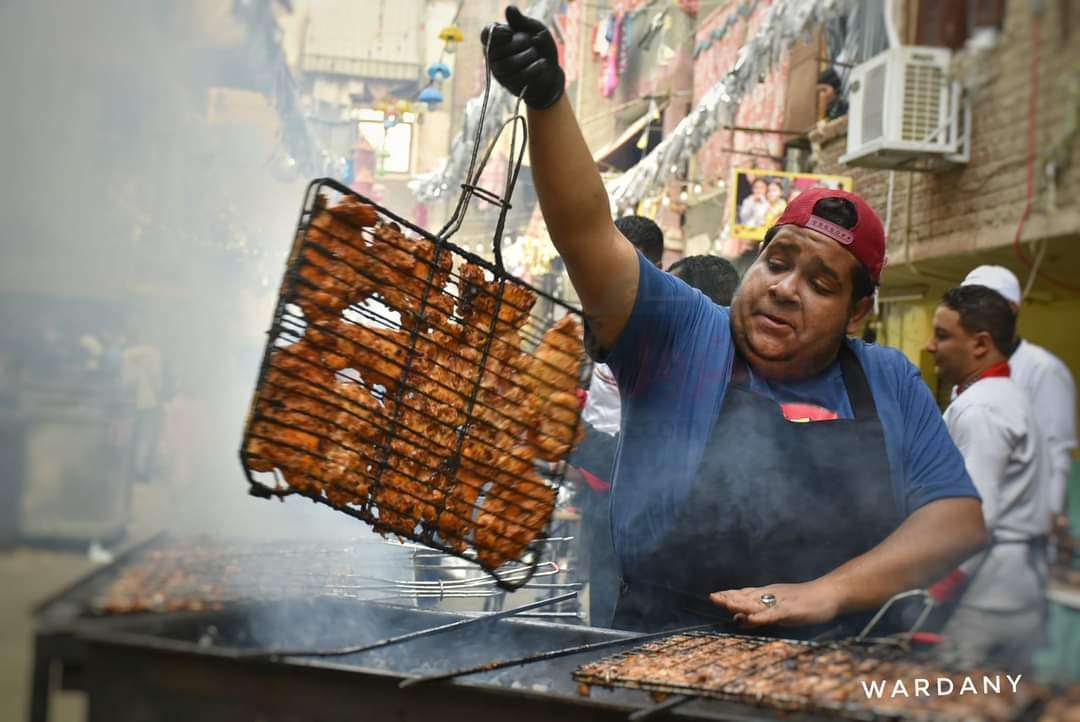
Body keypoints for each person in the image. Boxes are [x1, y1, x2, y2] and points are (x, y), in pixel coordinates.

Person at [481, 6, 986, 635]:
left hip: (832, 663)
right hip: (658, 649)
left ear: (857, 313)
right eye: (777, 261)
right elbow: (587, 232)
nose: (785, 289)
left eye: (820, 284)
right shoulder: (678, 332)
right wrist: (548, 100)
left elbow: (958, 520)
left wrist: (825, 593)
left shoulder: (889, 378)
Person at [573, 253, 740, 626]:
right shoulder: (666, 369)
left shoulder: (710, 386)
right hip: (636, 571)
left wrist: (574, 437)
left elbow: (652, 466)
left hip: (681, 600)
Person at [925, 285, 1051, 668]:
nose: (930, 346)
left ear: (980, 344)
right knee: (1009, 696)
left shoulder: (981, 408)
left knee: (957, 696)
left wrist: (932, 591)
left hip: (983, 599)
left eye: (942, 335)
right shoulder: (1010, 395)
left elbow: (975, 518)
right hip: (1021, 593)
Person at [961, 265, 1077, 521]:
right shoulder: (968, 367)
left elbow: (1055, 454)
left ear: (1012, 310)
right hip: (970, 513)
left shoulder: (1043, 370)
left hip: (1018, 521)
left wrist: (1050, 518)